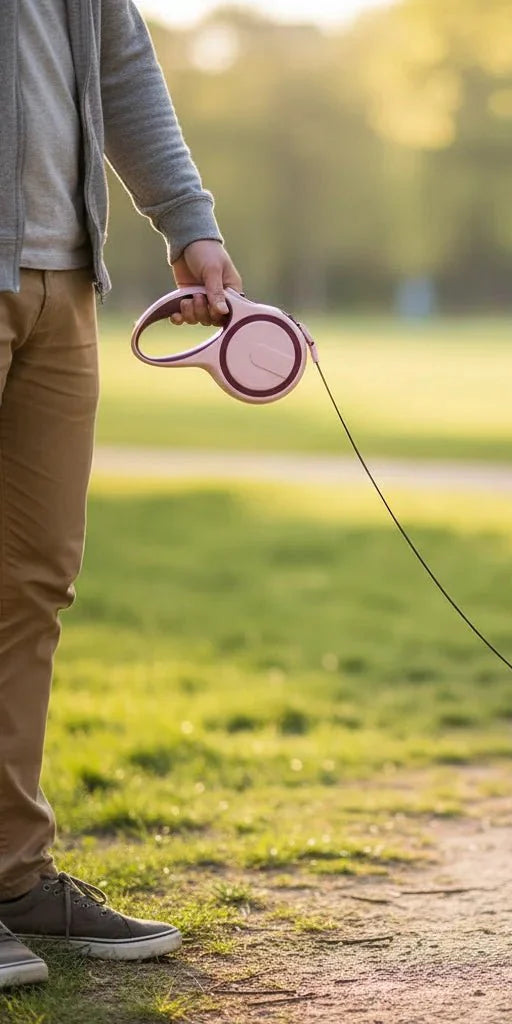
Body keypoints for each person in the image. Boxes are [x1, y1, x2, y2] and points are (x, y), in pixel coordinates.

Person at [0, 0, 241, 988]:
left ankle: (12, 875)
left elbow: (122, 68)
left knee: (32, 585)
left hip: (62, 277)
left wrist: (188, 222)